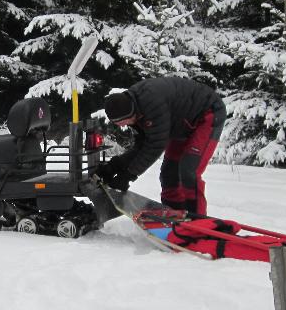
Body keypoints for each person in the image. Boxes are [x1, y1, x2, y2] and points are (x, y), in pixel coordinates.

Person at [96, 75, 226, 215]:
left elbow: (154, 146)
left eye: (122, 122)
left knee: (189, 171)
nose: (122, 126)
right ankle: (175, 213)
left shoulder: (152, 105)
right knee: (169, 173)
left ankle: (197, 220)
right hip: (181, 125)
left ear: (130, 114)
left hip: (208, 113)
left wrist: (128, 175)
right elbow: (141, 145)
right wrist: (115, 166)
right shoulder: (133, 107)